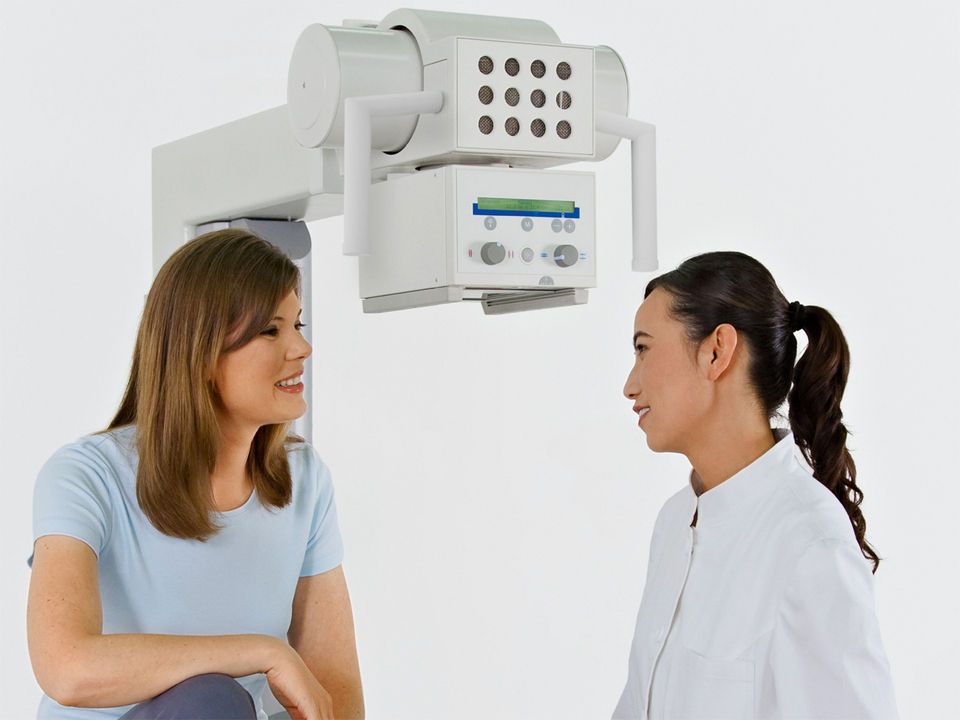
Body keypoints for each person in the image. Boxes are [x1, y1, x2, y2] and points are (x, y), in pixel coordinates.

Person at [27, 229, 363, 720]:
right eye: (271, 331)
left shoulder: (304, 479)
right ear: (200, 352)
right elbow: (67, 670)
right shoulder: (87, 476)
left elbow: (334, 687)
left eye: (298, 324)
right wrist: (263, 652)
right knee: (210, 699)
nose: (302, 348)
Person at [613, 251, 898, 719]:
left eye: (643, 349)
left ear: (717, 351)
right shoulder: (674, 522)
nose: (630, 384)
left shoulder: (810, 545)